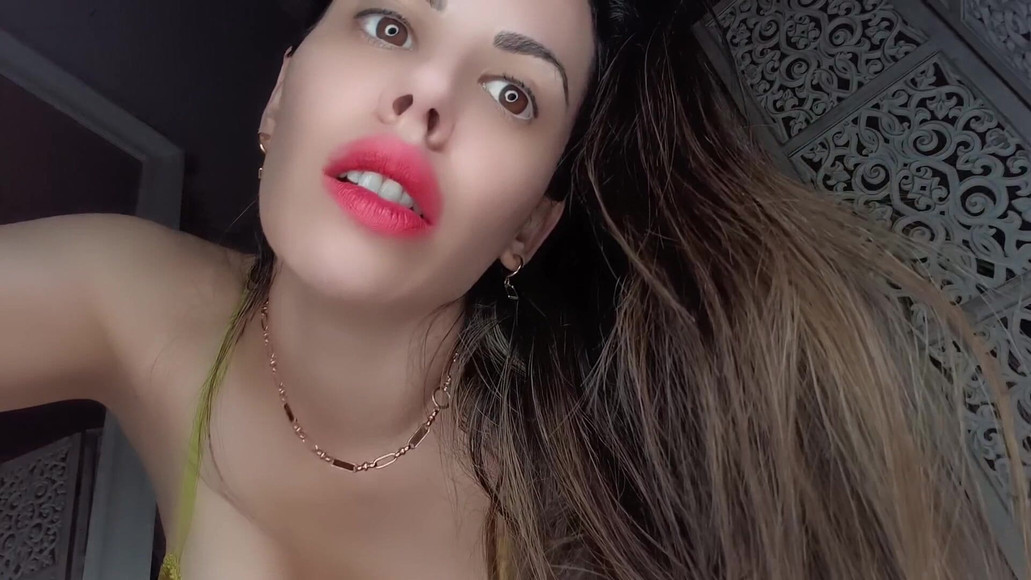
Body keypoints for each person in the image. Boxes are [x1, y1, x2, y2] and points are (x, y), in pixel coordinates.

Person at [1, 0, 1026, 577]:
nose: (425, 96)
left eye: (510, 92)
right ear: (278, 96)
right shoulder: (123, 296)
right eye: (391, 25)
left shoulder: (583, 489)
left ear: (528, 227)